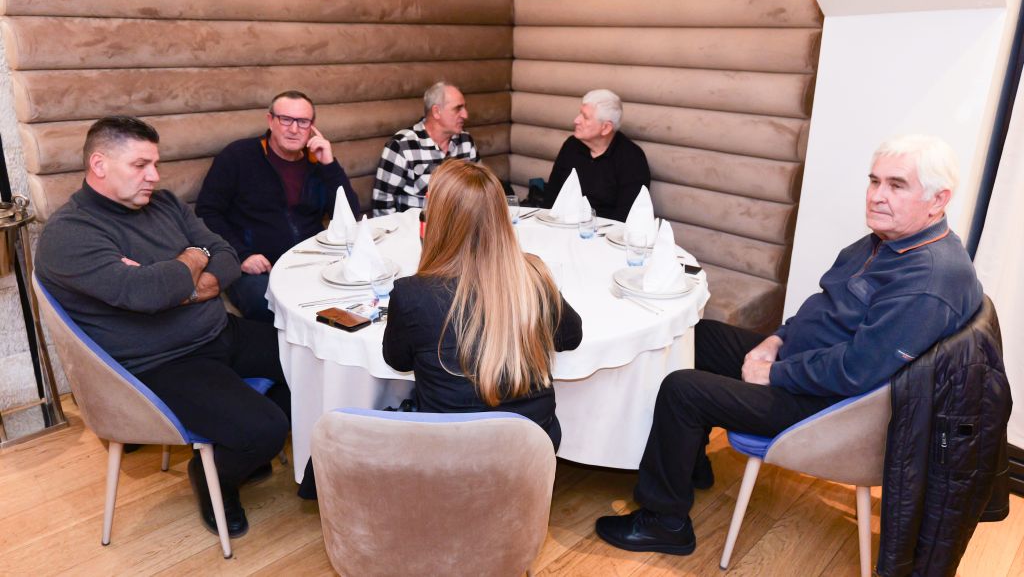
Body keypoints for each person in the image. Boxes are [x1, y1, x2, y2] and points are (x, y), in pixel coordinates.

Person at [594, 134, 983, 556]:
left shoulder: (929, 279)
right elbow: (824, 305)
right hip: (809, 366)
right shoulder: (886, 240)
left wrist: (775, 372)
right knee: (698, 336)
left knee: (682, 390)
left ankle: (664, 521)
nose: (876, 196)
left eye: (896, 185)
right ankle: (686, 463)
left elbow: (855, 372)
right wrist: (776, 339)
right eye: (874, 181)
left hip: (832, 407)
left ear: (938, 200)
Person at [36, 116, 290, 539]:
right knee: (265, 429)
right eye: (140, 165)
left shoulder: (166, 203)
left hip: (219, 331)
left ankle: (238, 451)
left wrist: (177, 282)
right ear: (99, 165)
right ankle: (213, 478)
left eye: (155, 163)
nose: (153, 176)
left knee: (311, 359)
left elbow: (225, 254)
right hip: (163, 361)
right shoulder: (69, 235)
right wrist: (193, 256)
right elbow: (147, 293)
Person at [382, 160, 583, 448]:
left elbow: (397, 360)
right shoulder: (532, 276)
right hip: (530, 450)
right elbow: (571, 337)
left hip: (447, 453)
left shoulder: (411, 294)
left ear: (437, 220)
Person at [196, 90, 359, 322]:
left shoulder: (318, 162)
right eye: (285, 119)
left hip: (312, 261)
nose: (294, 129)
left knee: (355, 294)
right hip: (257, 267)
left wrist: (329, 165)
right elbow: (207, 212)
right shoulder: (238, 156)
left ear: (312, 127)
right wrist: (242, 254)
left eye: (302, 122)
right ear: (270, 121)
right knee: (268, 303)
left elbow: (349, 217)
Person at [371, 81, 478, 216]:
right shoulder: (402, 146)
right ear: (436, 112)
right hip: (416, 227)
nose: (465, 115)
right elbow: (382, 204)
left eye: (464, 108)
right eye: (458, 108)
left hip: (459, 225)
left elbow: (479, 188)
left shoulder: (466, 141)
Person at [543, 89, 650, 222]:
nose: (576, 120)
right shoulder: (571, 145)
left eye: (585, 117)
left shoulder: (631, 159)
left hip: (605, 231)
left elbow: (626, 216)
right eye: (579, 113)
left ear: (606, 128)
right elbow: (552, 195)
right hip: (562, 225)